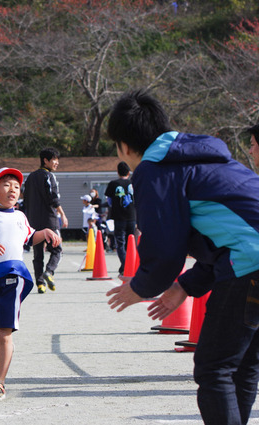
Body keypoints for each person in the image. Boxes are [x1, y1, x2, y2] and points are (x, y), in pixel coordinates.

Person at [105, 89, 259, 425]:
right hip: (249, 258)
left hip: (250, 265)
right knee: (242, 367)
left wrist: (142, 287)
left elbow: (164, 249)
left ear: (125, 147)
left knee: (214, 369)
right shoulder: (210, 160)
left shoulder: (155, 170)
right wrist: (186, 286)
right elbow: (222, 239)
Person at [0, 167, 61, 401]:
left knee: (5, 332)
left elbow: (29, 236)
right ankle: (0, 353)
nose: (12, 190)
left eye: (16, 186)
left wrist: (44, 232)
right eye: (6, 184)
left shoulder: (20, 216)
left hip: (12, 278)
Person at [23, 147, 68, 293]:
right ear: (45, 160)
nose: (56, 163)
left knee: (38, 254)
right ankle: (49, 272)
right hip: (49, 220)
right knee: (57, 250)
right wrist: (63, 214)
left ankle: (40, 284)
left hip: (33, 221)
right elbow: (53, 197)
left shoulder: (29, 177)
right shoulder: (49, 176)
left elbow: (25, 198)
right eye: (54, 160)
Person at [104, 161, 136, 276]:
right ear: (129, 172)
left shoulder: (113, 183)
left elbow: (109, 201)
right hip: (132, 216)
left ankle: (125, 265)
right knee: (131, 242)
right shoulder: (133, 183)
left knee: (120, 243)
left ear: (117, 172)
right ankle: (129, 265)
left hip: (119, 217)